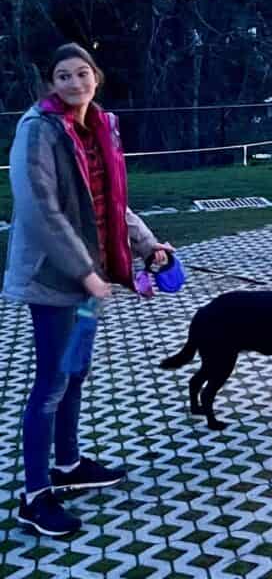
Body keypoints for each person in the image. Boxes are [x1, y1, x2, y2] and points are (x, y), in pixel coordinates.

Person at [3, 43, 173, 536]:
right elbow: (40, 210)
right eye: (63, 76)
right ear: (51, 83)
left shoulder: (99, 126)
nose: (75, 84)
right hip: (54, 277)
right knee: (50, 384)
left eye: (83, 74)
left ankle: (70, 464)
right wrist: (84, 272)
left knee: (75, 372)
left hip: (89, 276)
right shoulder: (38, 131)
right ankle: (34, 497)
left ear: (96, 77)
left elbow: (111, 202)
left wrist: (147, 247)